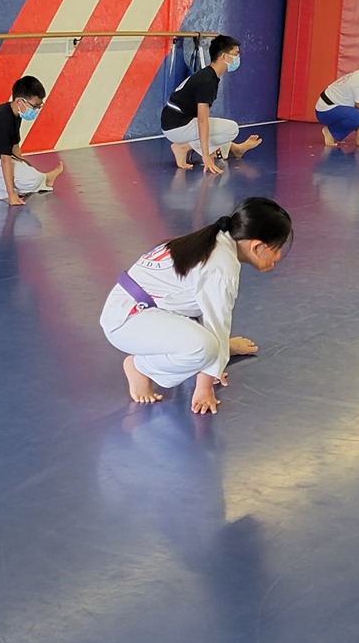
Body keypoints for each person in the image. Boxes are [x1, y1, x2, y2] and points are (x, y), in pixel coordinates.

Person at [100, 197, 292, 414]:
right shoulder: (221, 267)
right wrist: (205, 385)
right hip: (127, 322)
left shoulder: (216, 238)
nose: (277, 257)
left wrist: (217, 360)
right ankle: (139, 368)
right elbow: (217, 325)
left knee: (211, 348)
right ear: (257, 246)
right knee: (205, 348)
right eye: (277, 249)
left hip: (142, 309)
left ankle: (216, 353)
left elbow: (201, 306)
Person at [160, 35, 263, 173]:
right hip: (176, 127)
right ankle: (183, 147)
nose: (238, 59)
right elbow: (203, 121)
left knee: (218, 130)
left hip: (175, 122)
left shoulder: (209, 76)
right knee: (231, 129)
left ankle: (236, 149)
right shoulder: (207, 81)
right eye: (235, 55)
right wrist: (206, 155)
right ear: (224, 57)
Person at [0, 76, 65, 203]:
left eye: (39, 106)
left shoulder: (15, 113)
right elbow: (5, 160)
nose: (37, 110)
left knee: (27, 174)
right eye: (35, 106)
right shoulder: (3, 121)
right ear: (19, 102)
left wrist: (22, 164)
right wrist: (12, 196)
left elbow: (15, 145)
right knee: (32, 180)